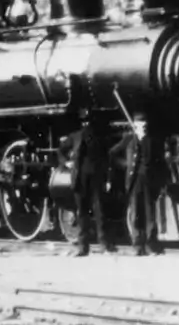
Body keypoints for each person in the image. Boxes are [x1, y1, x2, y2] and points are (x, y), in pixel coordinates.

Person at [110, 110, 165, 256]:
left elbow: (160, 162)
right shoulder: (128, 139)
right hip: (134, 181)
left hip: (149, 181)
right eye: (141, 124)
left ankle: (150, 245)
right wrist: (126, 165)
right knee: (135, 213)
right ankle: (137, 245)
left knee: (149, 214)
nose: (144, 126)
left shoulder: (153, 141)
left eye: (145, 124)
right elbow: (112, 153)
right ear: (135, 125)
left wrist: (160, 180)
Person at [62, 108, 115, 256]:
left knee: (99, 212)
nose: (87, 125)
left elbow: (107, 159)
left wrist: (108, 177)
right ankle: (83, 247)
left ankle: (103, 244)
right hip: (80, 179)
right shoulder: (75, 137)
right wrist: (66, 163)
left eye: (89, 122)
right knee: (82, 213)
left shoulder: (99, 139)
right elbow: (61, 150)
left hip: (96, 178)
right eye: (85, 122)